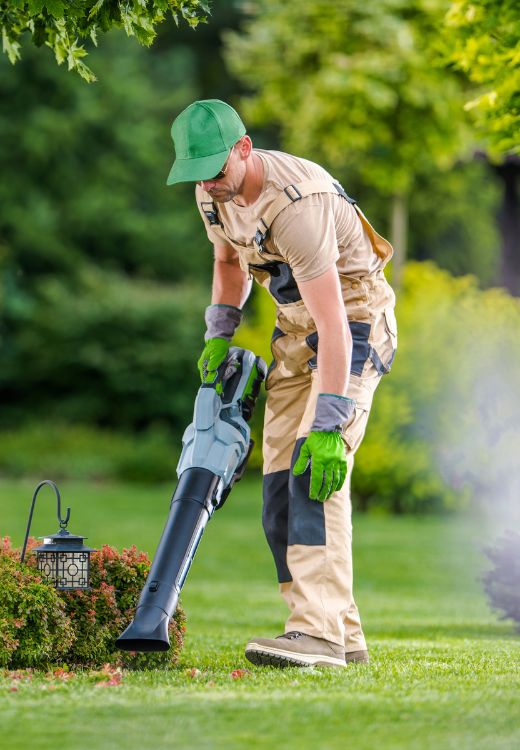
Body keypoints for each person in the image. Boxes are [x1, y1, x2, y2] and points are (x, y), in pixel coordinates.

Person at [166, 99, 398, 668]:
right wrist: (219, 332)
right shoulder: (211, 192)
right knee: (277, 489)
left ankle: (317, 633)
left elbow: (335, 325)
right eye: (197, 174)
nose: (209, 185)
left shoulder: (298, 204)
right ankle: (341, 634)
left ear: (244, 148)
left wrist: (330, 424)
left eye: (216, 170)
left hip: (352, 322)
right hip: (294, 329)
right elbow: (228, 263)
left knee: (313, 472)